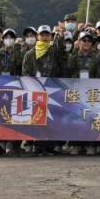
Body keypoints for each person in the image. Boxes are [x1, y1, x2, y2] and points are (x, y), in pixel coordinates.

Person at [21, 25, 67, 155]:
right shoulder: (29, 54)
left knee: (52, 118)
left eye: (47, 35)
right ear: (37, 36)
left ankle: (50, 146)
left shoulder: (54, 51)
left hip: (53, 90)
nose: (45, 37)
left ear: (51, 36)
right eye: (42, 34)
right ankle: (37, 146)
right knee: (38, 118)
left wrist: (60, 35)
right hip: (36, 91)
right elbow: (25, 73)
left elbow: (62, 53)